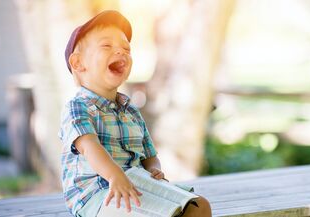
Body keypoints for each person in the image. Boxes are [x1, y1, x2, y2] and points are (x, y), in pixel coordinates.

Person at [59, 10, 211, 217]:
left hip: (138, 183)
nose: (121, 52)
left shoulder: (130, 110)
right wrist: (115, 176)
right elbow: (89, 147)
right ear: (78, 63)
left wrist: (154, 169)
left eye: (126, 48)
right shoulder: (78, 106)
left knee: (199, 206)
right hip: (98, 194)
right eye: (106, 45)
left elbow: (149, 155)